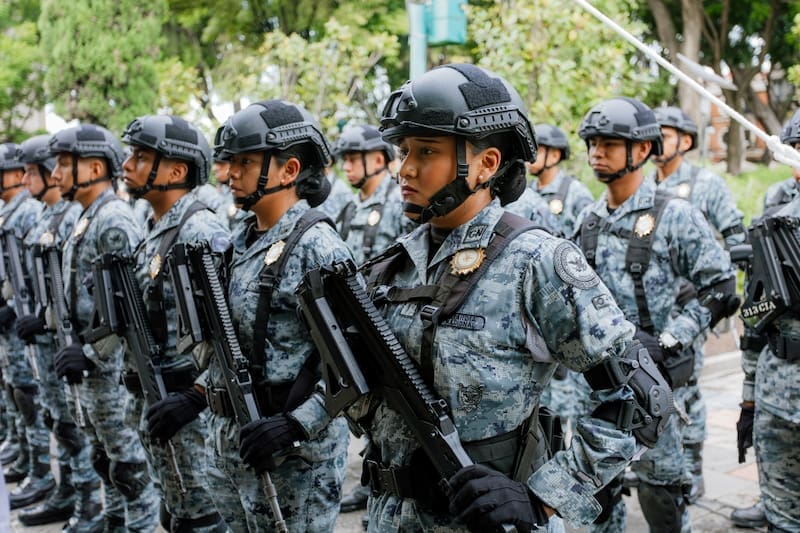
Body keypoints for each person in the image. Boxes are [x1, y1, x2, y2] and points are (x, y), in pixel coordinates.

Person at [342, 63, 674, 532]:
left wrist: (544, 497)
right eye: (404, 150)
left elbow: (641, 396)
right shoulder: (394, 264)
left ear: (487, 163)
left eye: (427, 151)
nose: (406, 168)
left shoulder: (535, 259)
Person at [574, 97, 738, 532]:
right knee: (595, 498)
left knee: (661, 497)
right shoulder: (586, 220)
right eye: (592, 144)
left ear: (642, 151)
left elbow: (720, 287)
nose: (596, 153)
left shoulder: (674, 215)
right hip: (597, 388)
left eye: (609, 144)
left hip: (655, 390)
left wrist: (670, 340)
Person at [189, 99, 351, 531]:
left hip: (292, 455)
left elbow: (351, 360)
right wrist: (198, 394)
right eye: (229, 162)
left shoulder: (318, 246)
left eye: (245, 161)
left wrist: (297, 425)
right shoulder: (237, 240)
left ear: (289, 170)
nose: (230, 173)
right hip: (231, 439)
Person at [119, 114, 229, 532]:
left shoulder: (198, 229)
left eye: (141, 156)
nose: (127, 165)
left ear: (176, 170)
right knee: (175, 514)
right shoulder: (158, 227)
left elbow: (225, 335)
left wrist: (196, 396)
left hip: (188, 412)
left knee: (199, 519)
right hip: (158, 401)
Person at [49, 124, 160, 531]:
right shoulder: (88, 216)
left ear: (95, 167)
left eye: (64, 164)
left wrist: (91, 353)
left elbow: (130, 310)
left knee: (130, 472)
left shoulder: (113, 219)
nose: (56, 174)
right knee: (106, 463)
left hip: (112, 374)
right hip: (91, 375)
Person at [650, 105, 747, 504]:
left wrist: (715, 293)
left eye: (665, 134)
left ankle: (692, 468)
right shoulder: (643, 187)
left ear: (685, 141)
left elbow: (738, 239)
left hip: (692, 309)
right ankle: (658, 467)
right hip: (650, 312)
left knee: (687, 388)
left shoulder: (706, 185)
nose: (657, 141)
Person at [13, 134, 103, 529]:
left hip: (74, 345)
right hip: (50, 341)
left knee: (76, 428)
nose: (34, 178)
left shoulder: (72, 216)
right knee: (56, 420)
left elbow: (83, 295)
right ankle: (66, 492)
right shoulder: (51, 216)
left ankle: (86, 504)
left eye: (38, 170)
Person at [734, 108, 800, 531]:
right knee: (782, 519)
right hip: (778, 395)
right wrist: (749, 395)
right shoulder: (775, 221)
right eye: (795, 151)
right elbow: (757, 317)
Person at [0, 142, 51, 511]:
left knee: (29, 397)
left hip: (28, 321)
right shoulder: (9, 211)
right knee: (15, 389)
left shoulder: (28, 212)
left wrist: (20, 310)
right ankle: (26, 456)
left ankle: (43, 473)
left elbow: (37, 277)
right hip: (12, 317)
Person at [335, 124, 414, 265]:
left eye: (352, 160)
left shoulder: (401, 202)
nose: (346, 167)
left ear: (378, 161)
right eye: (345, 160)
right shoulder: (350, 206)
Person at [527, 123, 594, 236]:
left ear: (554, 156)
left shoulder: (575, 192)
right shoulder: (527, 191)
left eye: (536, 152)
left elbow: (589, 236)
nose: (529, 158)